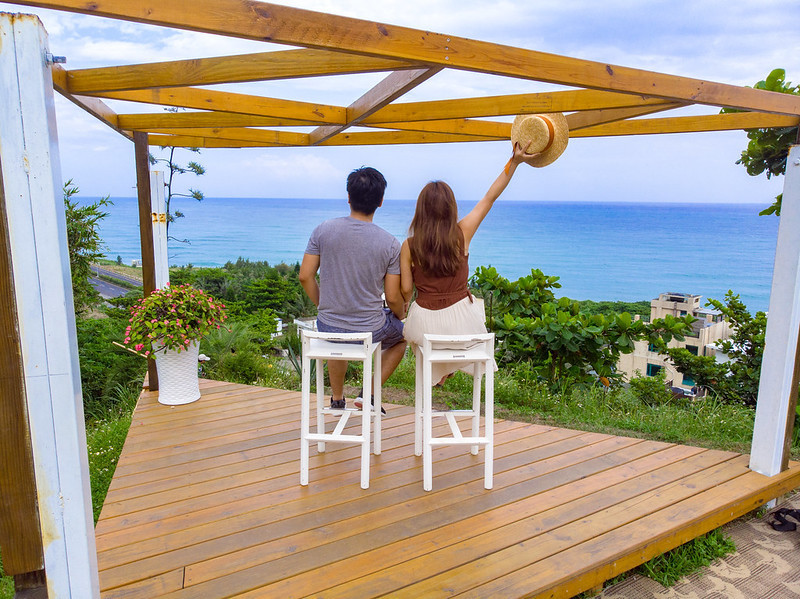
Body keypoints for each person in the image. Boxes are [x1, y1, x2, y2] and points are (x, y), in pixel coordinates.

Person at [400, 142, 535, 384]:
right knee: (460, 327)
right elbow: (489, 197)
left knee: (416, 334)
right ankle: (445, 370)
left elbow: (406, 290)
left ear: (420, 210)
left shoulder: (410, 245)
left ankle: (438, 372)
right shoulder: (463, 232)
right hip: (463, 324)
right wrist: (514, 162)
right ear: (450, 207)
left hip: (425, 324)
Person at [299, 166, 407, 410]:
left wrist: (323, 305)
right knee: (402, 338)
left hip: (329, 325)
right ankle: (367, 394)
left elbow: (305, 276)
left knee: (335, 340)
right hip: (370, 330)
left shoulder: (323, 230)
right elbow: (392, 296)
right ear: (380, 201)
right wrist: (400, 315)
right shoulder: (390, 243)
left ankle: (337, 399)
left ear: (348, 197)